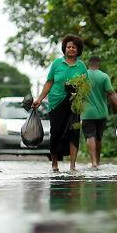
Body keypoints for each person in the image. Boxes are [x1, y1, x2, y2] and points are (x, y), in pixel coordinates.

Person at [33, 35, 88, 172]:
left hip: (74, 105)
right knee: (56, 133)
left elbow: (85, 85)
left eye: (74, 47)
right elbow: (49, 82)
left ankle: (72, 165)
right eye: (69, 47)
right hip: (56, 103)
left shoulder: (81, 66)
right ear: (64, 48)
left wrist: (78, 92)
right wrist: (39, 99)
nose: (71, 49)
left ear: (78, 50)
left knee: (73, 133)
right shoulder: (57, 63)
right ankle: (54, 163)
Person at [81, 56, 117, 169]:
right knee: (99, 138)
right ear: (99, 64)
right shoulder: (104, 76)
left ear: (88, 64)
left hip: (87, 113)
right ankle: (98, 161)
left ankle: (93, 162)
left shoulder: (82, 76)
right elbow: (111, 94)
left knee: (90, 137)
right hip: (101, 113)